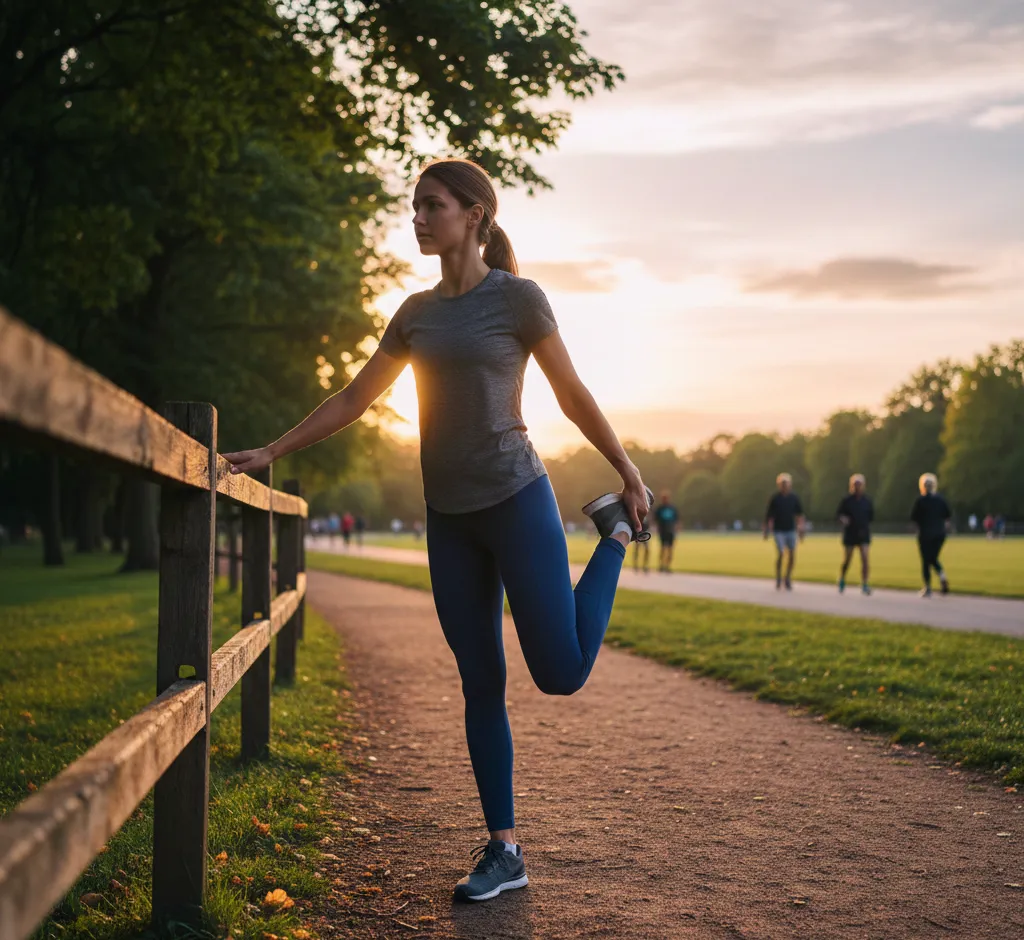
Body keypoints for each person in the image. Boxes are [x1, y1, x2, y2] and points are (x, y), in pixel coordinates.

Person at [223, 158, 653, 904]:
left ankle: (612, 536)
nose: (418, 218)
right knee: (479, 681)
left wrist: (627, 471)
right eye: (415, 206)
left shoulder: (518, 299)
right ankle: (504, 849)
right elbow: (355, 397)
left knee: (559, 672)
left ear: (475, 214)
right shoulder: (414, 313)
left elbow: (570, 392)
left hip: (517, 499)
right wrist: (272, 450)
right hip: (448, 519)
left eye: (432, 205)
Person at [910, 472, 951, 597]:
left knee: (926, 560)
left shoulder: (921, 501)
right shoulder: (941, 500)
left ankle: (927, 587)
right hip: (939, 534)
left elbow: (914, 518)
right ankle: (942, 576)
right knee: (933, 558)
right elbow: (947, 517)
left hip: (926, 534)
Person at [763, 472, 805, 591]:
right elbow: (769, 515)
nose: (784, 486)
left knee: (792, 555)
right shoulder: (775, 498)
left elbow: (799, 514)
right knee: (781, 553)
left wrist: (801, 528)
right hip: (779, 530)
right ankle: (778, 577)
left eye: (786, 484)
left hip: (790, 529)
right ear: (779, 485)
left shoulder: (794, 498)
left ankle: (787, 578)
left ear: (790, 484)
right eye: (782, 484)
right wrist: (766, 530)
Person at [837, 473, 873, 595]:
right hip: (850, 533)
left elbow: (870, 517)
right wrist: (843, 519)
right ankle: (842, 578)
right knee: (848, 559)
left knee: (865, 559)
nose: (857, 487)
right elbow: (839, 515)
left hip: (863, 532)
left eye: (859, 484)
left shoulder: (867, 501)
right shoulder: (847, 500)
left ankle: (865, 583)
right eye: (855, 484)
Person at [653, 491, 679, 572]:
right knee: (663, 548)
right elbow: (655, 520)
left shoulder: (672, 508)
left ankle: (668, 566)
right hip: (663, 531)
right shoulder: (660, 508)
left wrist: (676, 528)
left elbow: (677, 519)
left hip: (670, 530)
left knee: (670, 549)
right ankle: (661, 565)